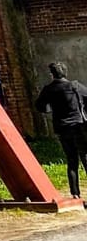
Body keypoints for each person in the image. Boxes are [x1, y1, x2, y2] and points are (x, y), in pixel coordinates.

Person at [35, 62, 87, 198]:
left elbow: (40, 106)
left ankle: (75, 194)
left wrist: (50, 109)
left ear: (51, 74)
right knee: (86, 158)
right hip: (78, 127)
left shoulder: (49, 89)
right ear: (65, 72)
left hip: (62, 129)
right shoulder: (75, 86)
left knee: (72, 160)